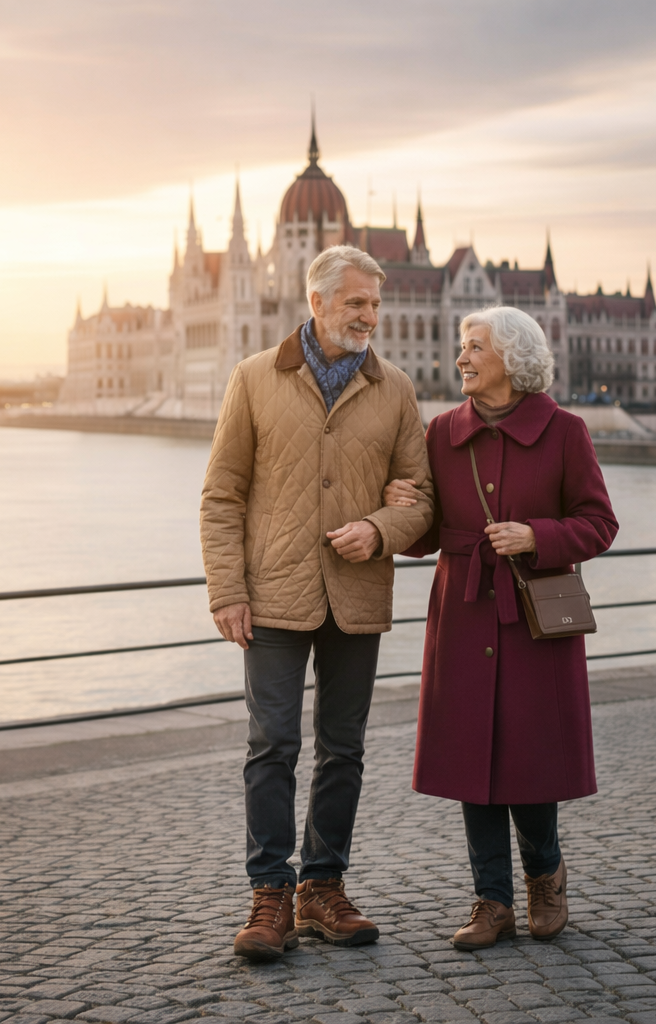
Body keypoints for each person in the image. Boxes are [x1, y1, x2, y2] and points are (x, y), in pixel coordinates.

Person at [201, 245, 435, 962]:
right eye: (356, 302)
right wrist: (227, 590)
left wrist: (380, 528)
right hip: (273, 592)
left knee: (344, 749)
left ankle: (322, 888)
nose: (369, 316)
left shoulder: (394, 389)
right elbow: (222, 495)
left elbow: (423, 498)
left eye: (375, 304)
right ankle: (270, 893)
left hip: (356, 593)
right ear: (317, 302)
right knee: (271, 745)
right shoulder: (253, 378)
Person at [384, 305, 618, 950]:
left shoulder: (566, 431)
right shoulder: (440, 432)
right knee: (471, 758)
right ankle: (491, 901)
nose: (461, 357)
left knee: (530, 755)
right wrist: (401, 508)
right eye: (463, 346)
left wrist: (536, 536)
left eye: (475, 347)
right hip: (463, 613)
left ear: (512, 359)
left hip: (534, 618)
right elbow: (426, 533)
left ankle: (545, 876)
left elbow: (599, 523)